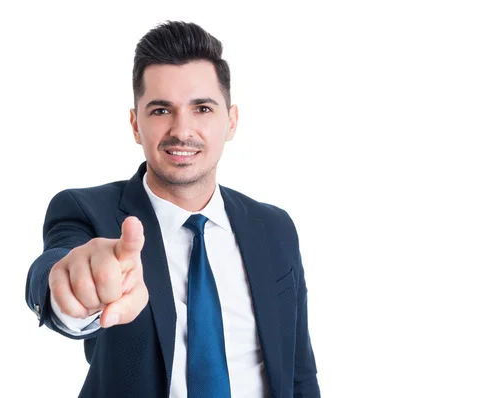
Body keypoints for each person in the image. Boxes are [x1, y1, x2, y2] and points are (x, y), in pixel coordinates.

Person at [25, 20, 320, 398]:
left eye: (202, 108)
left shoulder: (274, 226)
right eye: (162, 110)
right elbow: (57, 268)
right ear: (135, 125)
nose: (183, 130)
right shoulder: (88, 212)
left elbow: (299, 374)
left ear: (230, 121)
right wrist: (69, 290)